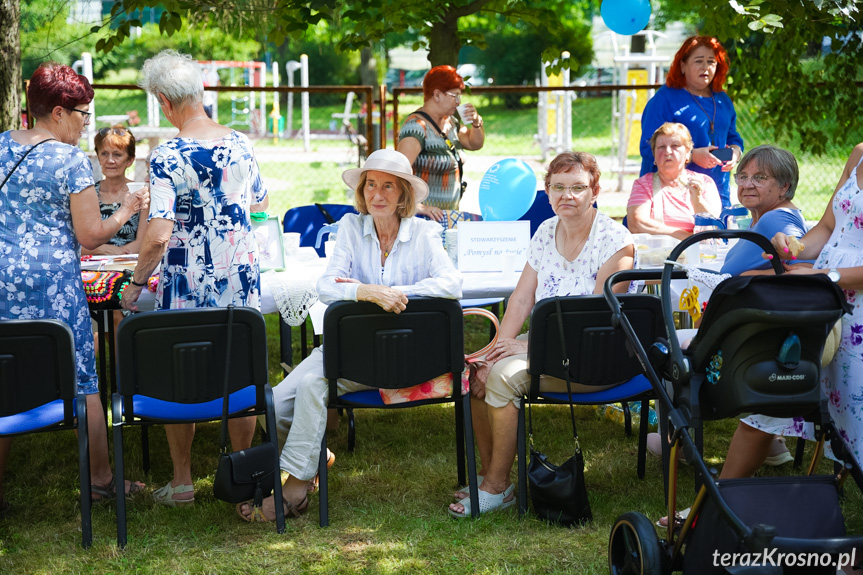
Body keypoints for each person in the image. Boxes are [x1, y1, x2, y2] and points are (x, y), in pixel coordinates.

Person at [237, 149, 462, 522]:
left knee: (313, 387)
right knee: (273, 401)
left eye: (388, 186)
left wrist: (400, 294)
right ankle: (314, 456)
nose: (377, 194)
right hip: (351, 348)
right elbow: (326, 284)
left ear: (404, 194)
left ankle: (293, 488)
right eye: (370, 184)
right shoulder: (350, 228)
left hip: (403, 354)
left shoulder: (424, 232)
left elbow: (451, 283)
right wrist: (367, 292)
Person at [449, 151, 636, 518]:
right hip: (550, 346)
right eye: (558, 187)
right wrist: (497, 347)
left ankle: (497, 487)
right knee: (479, 372)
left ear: (594, 191)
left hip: (595, 356)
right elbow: (520, 298)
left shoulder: (616, 241)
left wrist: (521, 345)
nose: (567, 195)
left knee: (502, 377)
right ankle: (491, 475)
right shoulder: (545, 230)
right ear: (548, 191)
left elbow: (593, 322)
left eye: (578, 188)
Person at [121, 50, 269, 507]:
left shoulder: (168, 154)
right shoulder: (242, 142)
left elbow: (159, 233)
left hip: (187, 280)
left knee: (178, 373)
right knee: (240, 370)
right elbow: (260, 199)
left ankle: (183, 480)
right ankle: (244, 472)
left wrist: (136, 283)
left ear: (164, 101)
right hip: (239, 278)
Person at [0, 63, 149, 506]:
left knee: (4, 379)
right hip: (52, 286)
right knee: (83, 381)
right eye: (84, 113)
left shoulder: (1, 145)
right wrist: (126, 209)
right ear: (60, 112)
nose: (87, 123)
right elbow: (90, 235)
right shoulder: (68, 160)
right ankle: (101, 481)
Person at [648, 145, 811, 472]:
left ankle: (678, 441)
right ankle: (773, 441)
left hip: (747, 342)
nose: (747, 184)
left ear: (785, 187)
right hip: (751, 333)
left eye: (760, 178)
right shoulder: (765, 218)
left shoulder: (778, 219)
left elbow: (801, 267)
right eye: (743, 176)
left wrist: (747, 277)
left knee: (659, 344)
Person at [720, 142, 863, 480]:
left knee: (855, 417)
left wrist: (827, 275)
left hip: (853, 307)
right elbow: (828, 227)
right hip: (822, 301)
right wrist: (793, 248)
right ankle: (715, 505)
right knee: (770, 400)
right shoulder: (858, 153)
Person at [640, 36, 744, 208]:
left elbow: (733, 138)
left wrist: (735, 153)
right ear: (682, 65)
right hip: (673, 196)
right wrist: (692, 156)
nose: (705, 67)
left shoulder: (722, 100)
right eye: (698, 61)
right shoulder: (664, 100)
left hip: (717, 193)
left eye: (711, 61)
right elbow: (647, 148)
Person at [397, 65, 485, 221]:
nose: (458, 102)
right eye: (455, 95)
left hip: (446, 217)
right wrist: (419, 206)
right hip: (423, 220)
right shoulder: (416, 127)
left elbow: (474, 144)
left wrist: (477, 123)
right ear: (437, 95)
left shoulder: (450, 123)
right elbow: (398, 173)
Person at [627, 122, 722, 239]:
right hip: (657, 254)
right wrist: (686, 238)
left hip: (700, 254)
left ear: (688, 153)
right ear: (654, 156)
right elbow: (636, 224)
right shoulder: (643, 185)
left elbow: (713, 227)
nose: (667, 152)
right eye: (661, 147)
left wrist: (697, 200)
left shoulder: (705, 182)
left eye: (675, 146)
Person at [81, 125, 149, 256]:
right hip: (92, 264)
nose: (110, 160)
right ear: (99, 158)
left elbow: (142, 243)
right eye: (104, 154)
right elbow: (77, 240)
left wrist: (117, 255)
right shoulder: (88, 193)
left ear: (130, 160)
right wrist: (100, 250)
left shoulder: (140, 193)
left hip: (128, 262)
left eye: (117, 154)